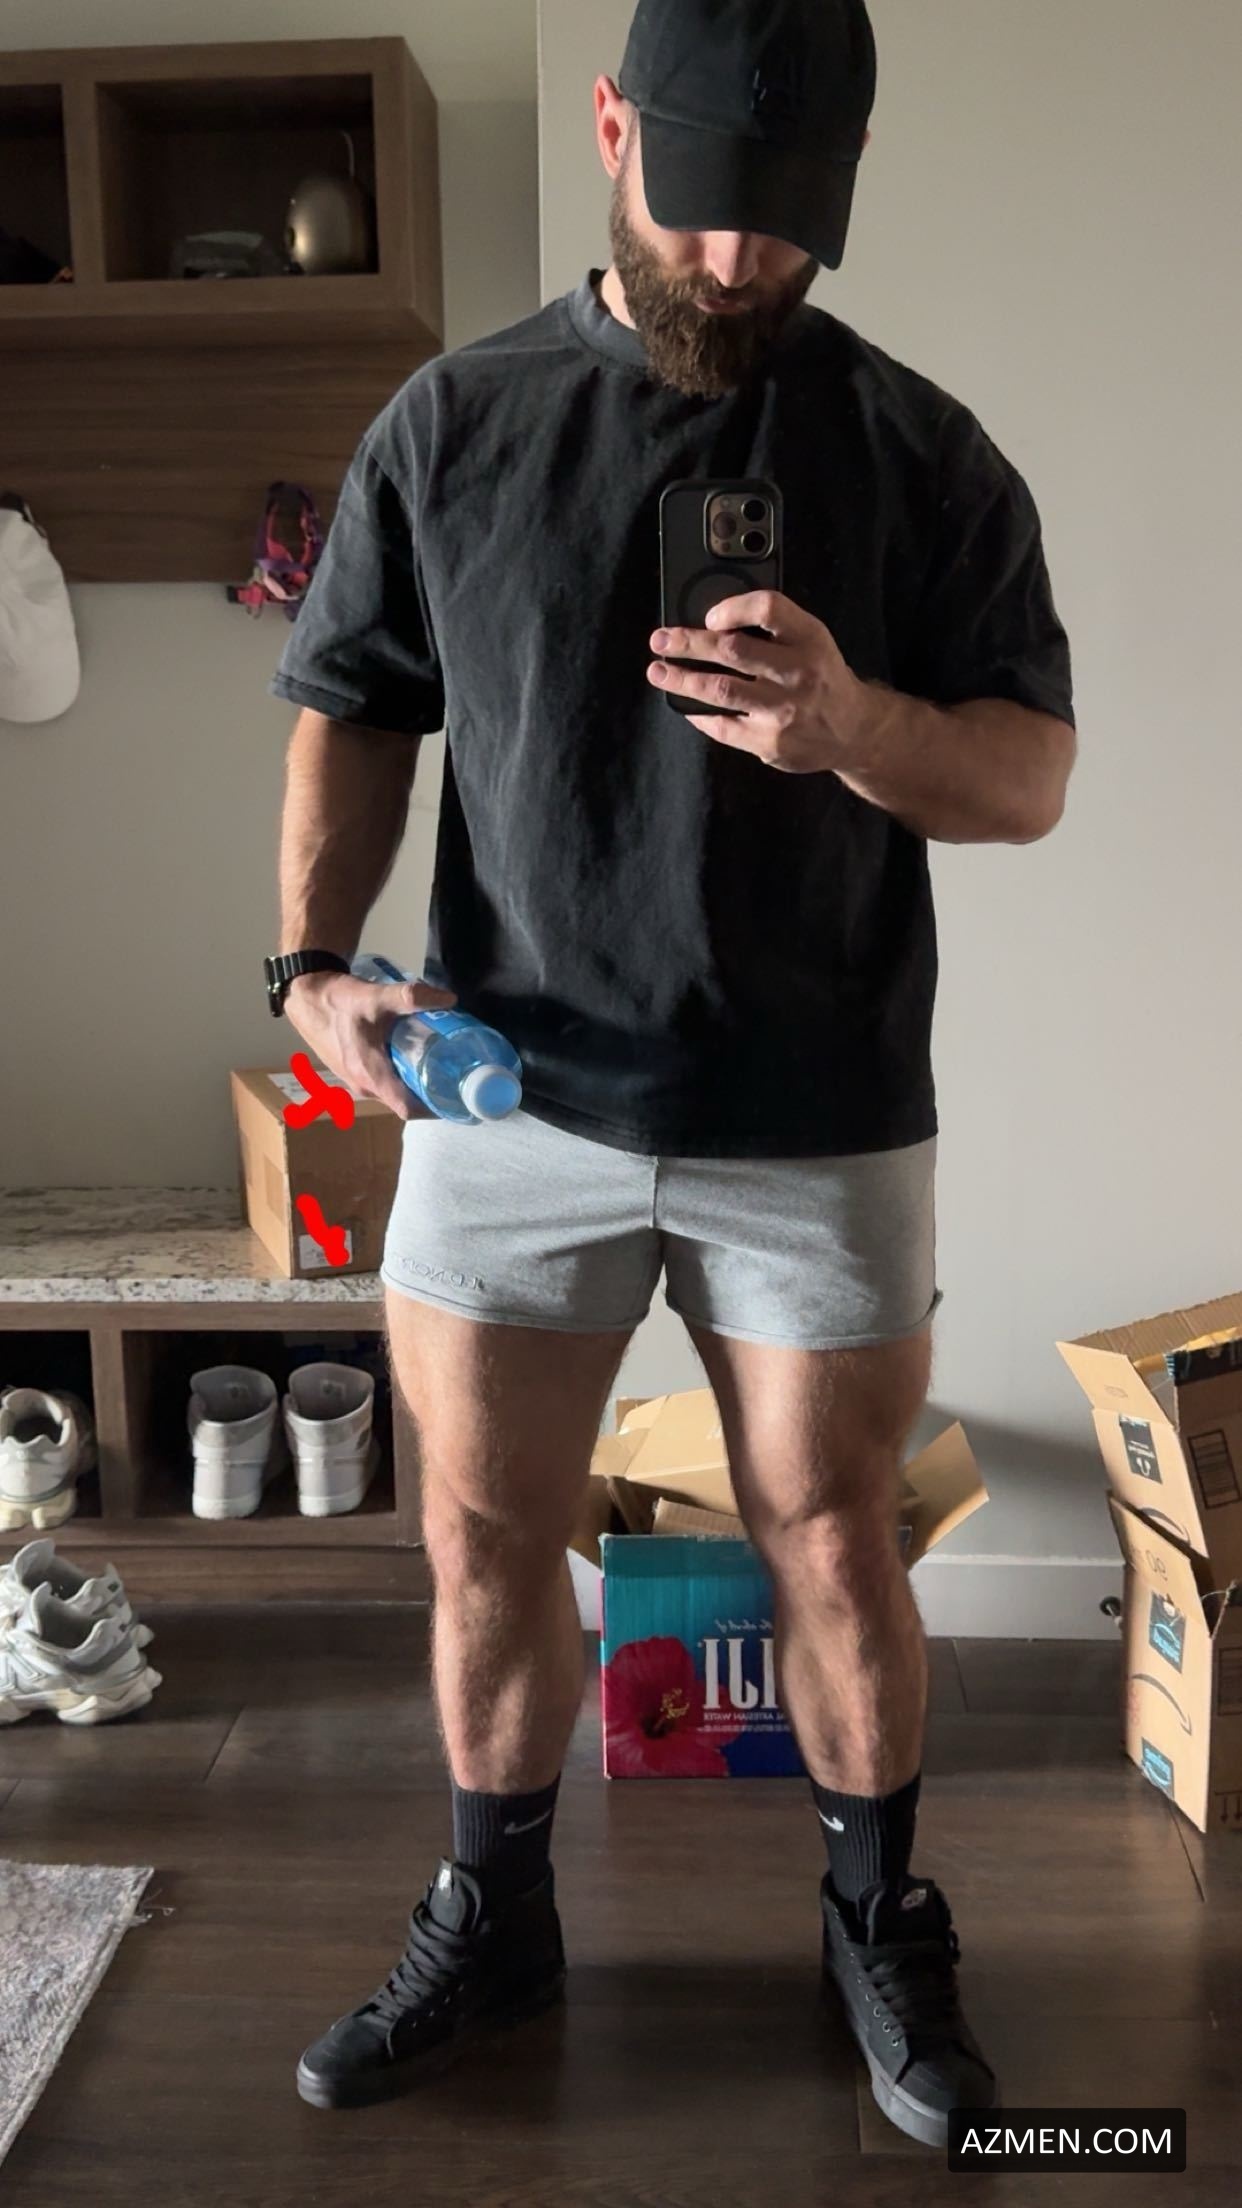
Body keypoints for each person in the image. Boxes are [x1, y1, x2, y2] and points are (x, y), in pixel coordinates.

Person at [266, 0, 1075, 2149]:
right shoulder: (456, 424)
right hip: (504, 1096)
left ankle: (876, 1918)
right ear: (615, 128)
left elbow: (1027, 776)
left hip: (813, 1114)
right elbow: (353, 703)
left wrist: (853, 730)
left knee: (831, 1531)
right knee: (481, 1530)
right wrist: (312, 969)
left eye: (787, 222)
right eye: (706, 204)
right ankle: (495, 1916)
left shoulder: (920, 452)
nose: (736, 261)